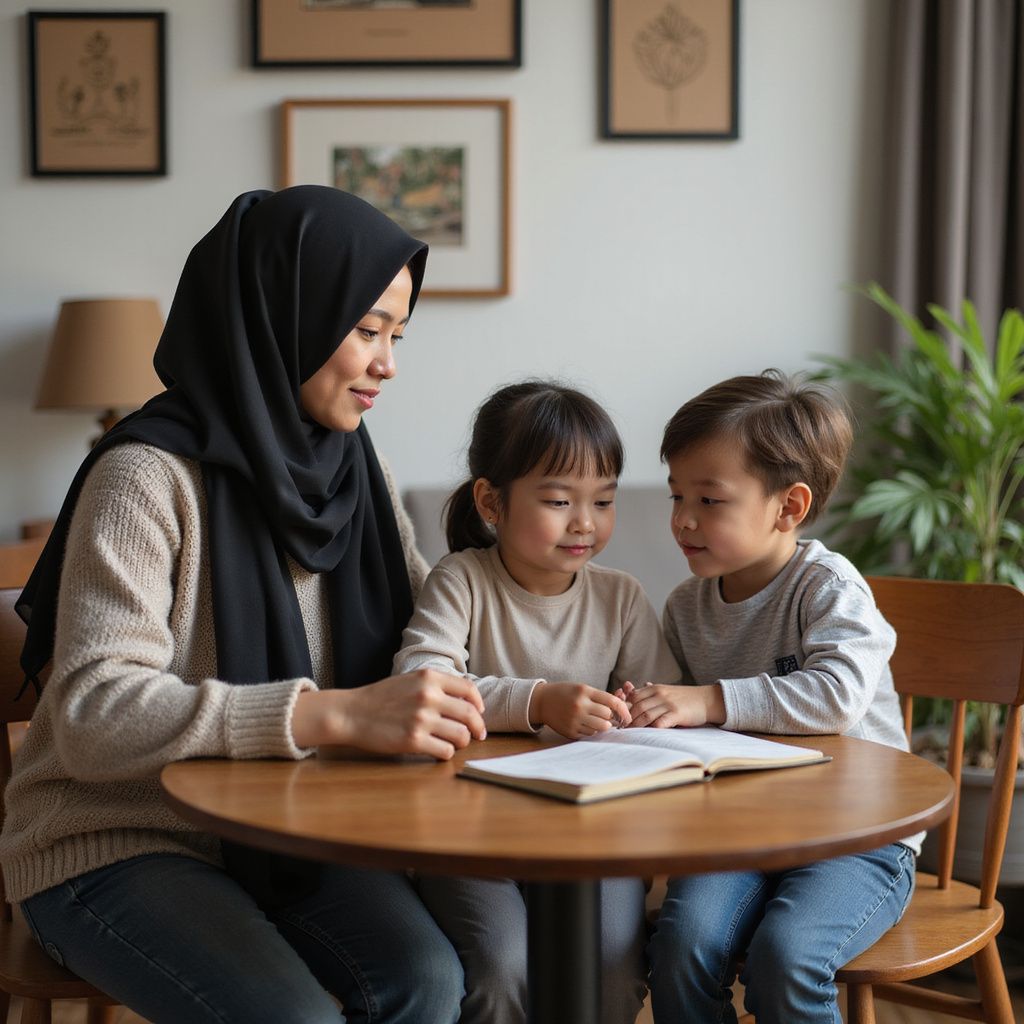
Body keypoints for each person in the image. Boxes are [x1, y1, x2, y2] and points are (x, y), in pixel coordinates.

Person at [0, 185, 489, 1024]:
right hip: (118, 838)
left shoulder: (355, 470)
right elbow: (90, 711)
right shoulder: (146, 477)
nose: (388, 364)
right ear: (284, 313)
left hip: (291, 827)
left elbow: (425, 641)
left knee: (430, 981)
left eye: (397, 335)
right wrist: (326, 718)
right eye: (366, 330)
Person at [622, 370, 921, 1024]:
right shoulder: (685, 607)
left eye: (709, 500)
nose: (683, 521)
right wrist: (642, 708)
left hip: (858, 838)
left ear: (788, 507)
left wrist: (705, 701)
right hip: (742, 835)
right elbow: (680, 726)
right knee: (679, 948)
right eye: (677, 496)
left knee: (786, 956)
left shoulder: (829, 588)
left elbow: (837, 697)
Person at [393, 380, 681, 1024]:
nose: (585, 522)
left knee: (612, 969)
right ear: (491, 501)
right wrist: (538, 701)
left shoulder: (622, 597)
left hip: (596, 835)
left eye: (603, 501)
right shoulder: (461, 580)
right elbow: (424, 678)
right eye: (558, 500)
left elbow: (659, 713)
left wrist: (643, 709)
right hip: (471, 835)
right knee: (501, 970)